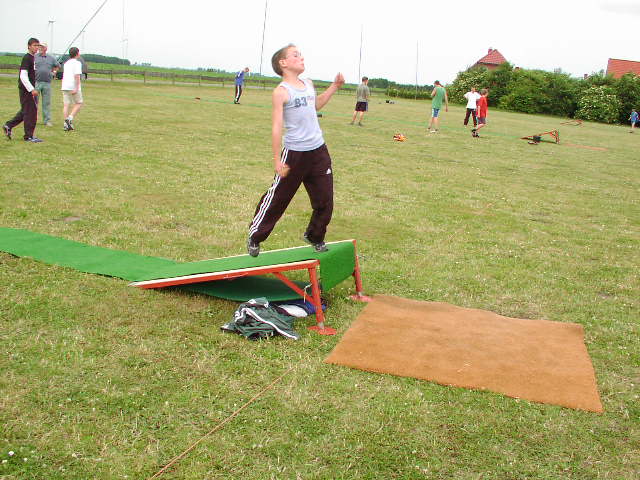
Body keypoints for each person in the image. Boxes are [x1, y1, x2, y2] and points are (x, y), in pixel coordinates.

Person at [247, 44, 344, 257]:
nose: (301, 57)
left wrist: (335, 86)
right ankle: (255, 235)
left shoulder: (308, 83)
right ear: (283, 63)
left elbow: (315, 105)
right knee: (278, 198)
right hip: (294, 155)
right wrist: (277, 159)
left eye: (300, 54)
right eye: (295, 55)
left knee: (325, 200)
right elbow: (276, 127)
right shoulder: (281, 92)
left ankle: (315, 236)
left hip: (318, 152)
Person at [3, 37, 43, 143]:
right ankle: (29, 136)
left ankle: (8, 125)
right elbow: (23, 76)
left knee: (26, 110)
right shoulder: (27, 58)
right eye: (34, 45)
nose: (37, 47)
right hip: (26, 90)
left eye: (38, 45)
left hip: (29, 89)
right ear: (29, 46)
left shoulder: (32, 58)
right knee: (31, 112)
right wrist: (31, 89)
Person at [35, 42, 61, 127]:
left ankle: (47, 120)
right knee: (34, 102)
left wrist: (54, 72)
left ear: (46, 48)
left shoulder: (51, 58)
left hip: (47, 83)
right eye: (39, 46)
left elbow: (58, 66)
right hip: (36, 82)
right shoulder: (34, 57)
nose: (40, 48)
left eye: (42, 47)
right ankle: (32, 119)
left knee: (46, 103)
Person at [61, 47, 84, 131]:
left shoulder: (66, 63)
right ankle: (69, 118)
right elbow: (77, 76)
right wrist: (77, 88)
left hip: (65, 86)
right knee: (79, 102)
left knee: (66, 105)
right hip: (72, 85)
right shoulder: (77, 63)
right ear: (77, 54)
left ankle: (66, 124)